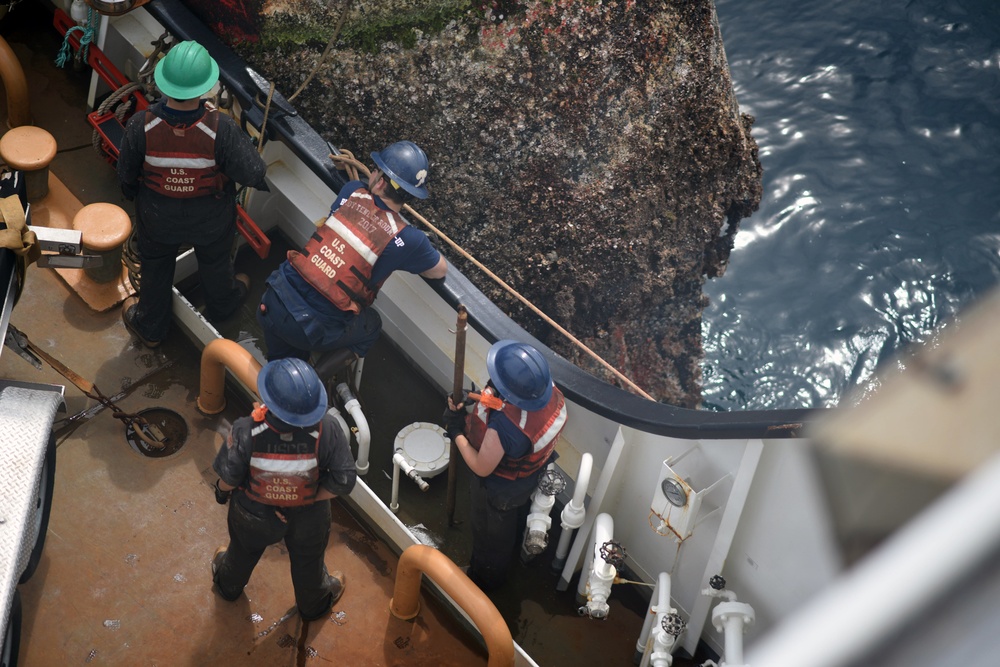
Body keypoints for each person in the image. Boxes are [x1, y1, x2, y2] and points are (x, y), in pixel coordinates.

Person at [117, 40, 268, 348]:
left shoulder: (139, 125)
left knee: (156, 264)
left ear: (163, 85)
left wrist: (138, 194)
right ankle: (224, 306)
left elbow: (127, 177)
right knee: (214, 261)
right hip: (210, 218)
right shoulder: (222, 129)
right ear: (204, 89)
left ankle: (151, 328)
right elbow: (255, 173)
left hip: (157, 216)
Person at [257, 140, 447, 363]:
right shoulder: (410, 239)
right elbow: (439, 270)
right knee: (372, 324)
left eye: (375, 169)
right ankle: (315, 379)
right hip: (308, 329)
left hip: (273, 300)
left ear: (378, 183)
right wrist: (421, 247)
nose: (371, 172)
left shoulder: (351, 190)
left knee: (281, 357)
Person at [210, 358, 357, 620]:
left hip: (253, 515)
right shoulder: (329, 429)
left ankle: (228, 586)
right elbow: (345, 480)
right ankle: (314, 604)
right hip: (309, 518)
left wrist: (221, 493)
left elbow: (229, 479)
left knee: (242, 551)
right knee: (309, 563)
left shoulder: (246, 429)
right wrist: (309, 497)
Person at [443, 340, 568, 590]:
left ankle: (485, 581)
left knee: (491, 539)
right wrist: (475, 400)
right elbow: (505, 408)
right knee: (512, 522)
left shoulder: (507, 427)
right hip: (527, 478)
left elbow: (481, 467)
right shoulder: (549, 392)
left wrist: (455, 429)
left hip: (500, 490)